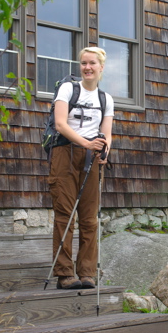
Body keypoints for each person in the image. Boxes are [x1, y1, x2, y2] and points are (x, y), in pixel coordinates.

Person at [48, 47, 114, 290]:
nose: (87, 67)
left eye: (92, 63)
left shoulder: (105, 99)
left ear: (101, 67)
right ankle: (65, 274)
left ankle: (86, 272)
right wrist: (86, 142)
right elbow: (60, 124)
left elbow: (107, 134)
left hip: (92, 158)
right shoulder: (68, 89)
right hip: (65, 153)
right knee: (65, 215)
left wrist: (105, 150)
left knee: (89, 219)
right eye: (84, 63)